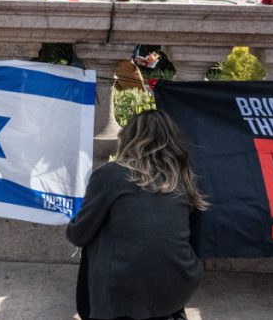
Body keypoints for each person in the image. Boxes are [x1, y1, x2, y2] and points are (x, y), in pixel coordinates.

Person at [67, 110, 207, 320]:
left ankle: (97, 312)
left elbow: (79, 235)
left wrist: (73, 223)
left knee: (98, 234)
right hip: (179, 282)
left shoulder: (110, 174)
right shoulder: (184, 178)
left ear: (130, 139)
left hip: (122, 288)